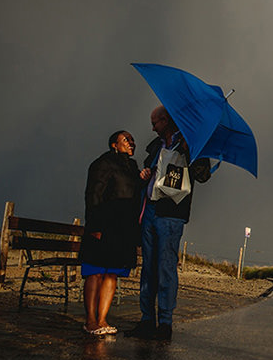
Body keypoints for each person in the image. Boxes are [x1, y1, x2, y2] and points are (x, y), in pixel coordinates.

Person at [126, 106, 211, 341]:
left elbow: (203, 175)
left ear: (166, 120)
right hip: (150, 210)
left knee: (165, 266)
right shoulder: (155, 146)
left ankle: (165, 323)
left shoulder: (192, 142)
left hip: (171, 213)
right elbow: (149, 171)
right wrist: (144, 175)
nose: (152, 127)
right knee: (148, 268)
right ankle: (146, 320)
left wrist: (190, 153)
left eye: (156, 123)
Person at [78, 131, 143, 335]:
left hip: (123, 230)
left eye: (132, 140)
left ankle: (102, 320)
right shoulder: (102, 163)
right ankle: (90, 321)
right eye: (126, 140)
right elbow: (93, 194)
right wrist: (95, 226)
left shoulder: (133, 167)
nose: (131, 142)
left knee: (112, 274)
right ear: (114, 144)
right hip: (103, 226)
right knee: (95, 272)